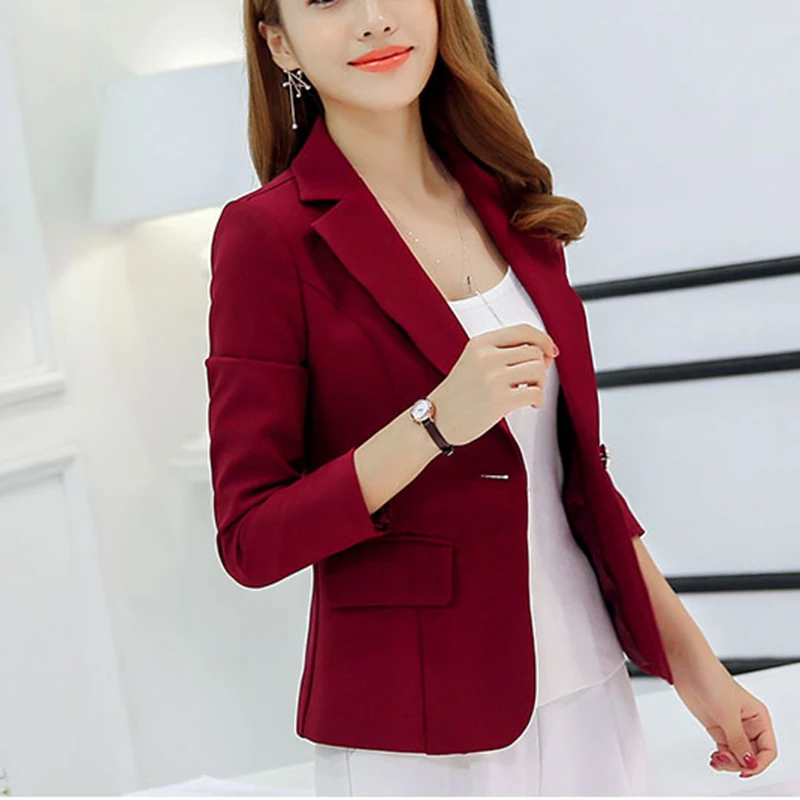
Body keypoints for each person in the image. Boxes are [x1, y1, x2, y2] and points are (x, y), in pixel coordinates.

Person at [204, 0, 779, 794]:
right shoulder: (266, 238)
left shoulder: (510, 200)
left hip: (591, 692)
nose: (373, 19)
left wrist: (697, 668)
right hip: (422, 736)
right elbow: (252, 536)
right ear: (279, 42)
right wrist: (435, 423)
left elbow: (577, 482)